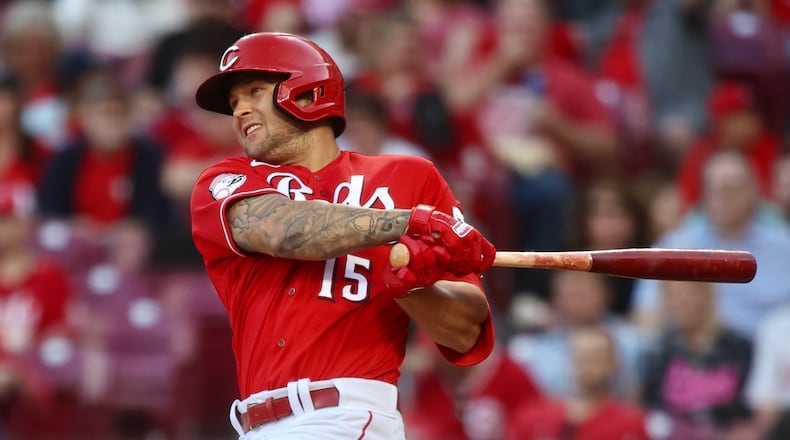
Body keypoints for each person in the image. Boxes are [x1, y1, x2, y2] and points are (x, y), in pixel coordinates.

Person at [189, 32, 496, 439]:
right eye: (233, 104)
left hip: (345, 416)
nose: (240, 110)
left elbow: (464, 333)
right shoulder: (226, 179)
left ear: (306, 93)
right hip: (256, 425)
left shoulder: (408, 177)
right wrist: (407, 223)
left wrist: (414, 288)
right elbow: (285, 231)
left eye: (254, 91)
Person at [642, 280, 754, 439]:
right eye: (674, 295)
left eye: (690, 293)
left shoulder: (739, 347)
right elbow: (651, 410)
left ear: (708, 295)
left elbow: (752, 410)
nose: (683, 301)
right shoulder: (658, 351)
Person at [506, 326, 649, 440]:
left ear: (614, 363)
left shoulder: (630, 424)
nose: (586, 364)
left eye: (596, 357)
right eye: (580, 356)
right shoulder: (532, 416)